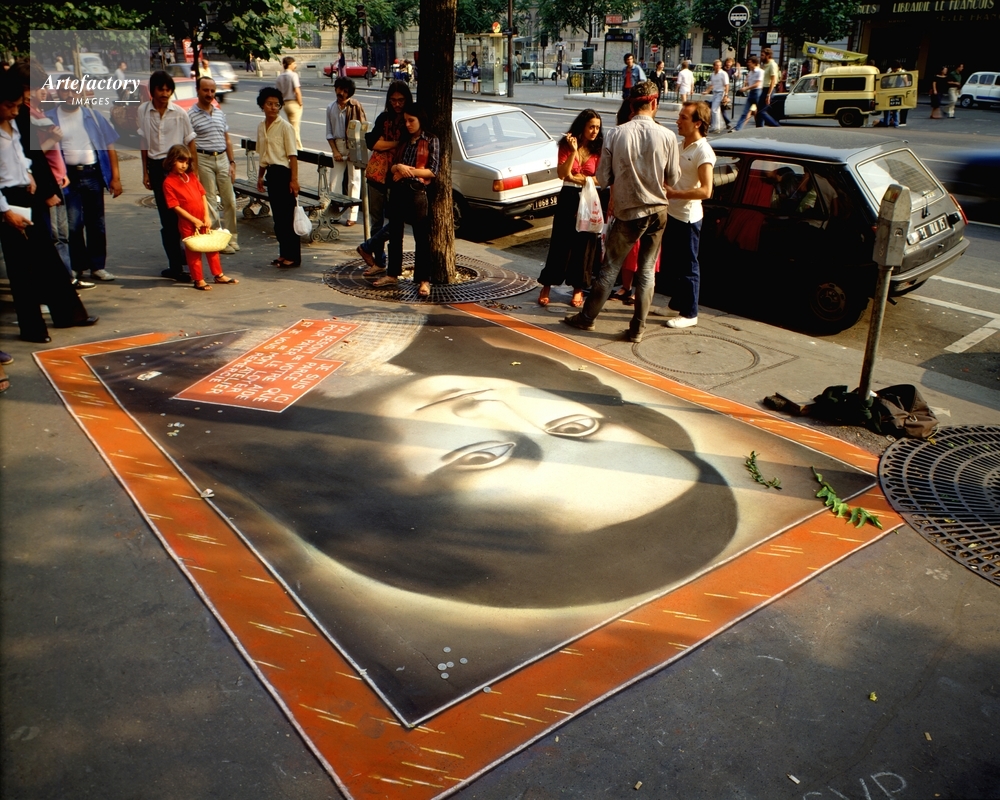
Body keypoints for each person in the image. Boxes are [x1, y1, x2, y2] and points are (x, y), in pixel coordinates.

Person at [563, 80, 680, 344]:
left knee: (610, 268)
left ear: (631, 106)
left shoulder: (616, 134)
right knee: (646, 270)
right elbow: (672, 178)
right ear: (654, 103)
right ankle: (637, 329)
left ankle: (587, 318)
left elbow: (604, 178)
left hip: (629, 212)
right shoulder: (668, 136)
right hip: (658, 211)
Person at [0, 69, 97, 343]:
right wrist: (6, 211)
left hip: (27, 192)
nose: (17, 109)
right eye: (12, 104)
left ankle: (68, 314)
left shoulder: (16, 121)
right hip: (8, 202)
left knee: (47, 256)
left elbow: (26, 156)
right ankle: (32, 328)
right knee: (21, 267)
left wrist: (32, 177)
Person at [48, 74, 123, 284]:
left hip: (92, 174)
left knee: (96, 223)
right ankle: (79, 266)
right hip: (67, 178)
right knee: (73, 224)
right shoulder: (49, 118)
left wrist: (116, 178)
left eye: (74, 90)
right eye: (65, 90)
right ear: (58, 92)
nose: (70, 94)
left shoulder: (94, 116)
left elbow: (110, 147)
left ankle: (98, 266)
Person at [371, 101, 439, 297]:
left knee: (421, 237)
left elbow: (432, 171)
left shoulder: (430, 140)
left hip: (417, 190)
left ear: (420, 120)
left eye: (411, 121)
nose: (408, 124)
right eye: (406, 121)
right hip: (398, 189)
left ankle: (424, 279)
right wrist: (398, 168)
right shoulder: (404, 139)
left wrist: (408, 171)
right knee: (395, 234)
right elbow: (393, 166)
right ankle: (392, 273)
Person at [537, 109, 604, 309]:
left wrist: (577, 178)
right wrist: (574, 151)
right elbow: (562, 174)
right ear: (582, 126)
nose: (595, 131)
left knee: (585, 244)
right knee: (560, 242)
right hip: (568, 197)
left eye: (597, 127)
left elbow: (601, 178)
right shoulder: (566, 145)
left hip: (589, 197)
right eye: (591, 127)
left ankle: (578, 287)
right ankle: (547, 285)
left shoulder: (599, 148)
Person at [137, 70, 197, 282]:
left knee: (183, 214)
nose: (164, 93)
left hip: (177, 168)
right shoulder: (143, 111)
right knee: (167, 219)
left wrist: (193, 173)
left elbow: (190, 141)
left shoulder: (180, 113)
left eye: (168, 90)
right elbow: (144, 142)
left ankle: (188, 258)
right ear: (152, 91)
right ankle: (175, 266)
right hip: (156, 168)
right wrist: (145, 171)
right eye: (160, 89)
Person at [662, 101, 715, 329]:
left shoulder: (703, 151)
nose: (678, 121)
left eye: (683, 118)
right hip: (672, 213)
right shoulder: (680, 145)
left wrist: (675, 194)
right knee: (675, 263)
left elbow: (706, 190)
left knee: (689, 265)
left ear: (697, 123)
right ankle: (677, 303)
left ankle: (690, 313)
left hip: (688, 218)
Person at [161, 144, 238, 291]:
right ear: (172, 161)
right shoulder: (169, 182)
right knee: (193, 251)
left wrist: (206, 216)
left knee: (212, 246)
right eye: (180, 161)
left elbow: (203, 195)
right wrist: (193, 220)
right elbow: (175, 206)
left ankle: (218, 274)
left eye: (186, 162)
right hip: (188, 222)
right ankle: (198, 279)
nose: (184, 165)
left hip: (203, 218)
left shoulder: (191, 176)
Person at [356, 80, 412, 273]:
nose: (397, 104)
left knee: (397, 221)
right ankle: (379, 262)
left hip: (398, 177)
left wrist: (385, 143)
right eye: (393, 100)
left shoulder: (409, 119)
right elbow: (372, 143)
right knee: (376, 220)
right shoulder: (383, 118)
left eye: (401, 100)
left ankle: (367, 247)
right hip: (377, 175)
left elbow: (403, 143)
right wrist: (395, 144)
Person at [188, 77, 239, 252]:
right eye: (205, 90)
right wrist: (194, 168)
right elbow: (190, 143)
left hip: (222, 158)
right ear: (198, 90)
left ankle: (232, 237)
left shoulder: (218, 112)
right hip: (203, 159)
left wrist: (232, 162)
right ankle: (218, 240)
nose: (209, 94)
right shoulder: (190, 115)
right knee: (210, 202)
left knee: (230, 200)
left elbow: (227, 139)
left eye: (212, 90)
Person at [255, 86, 300, 268]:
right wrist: (260, 177)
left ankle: (293, 256)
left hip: (284, 174)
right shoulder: (261, 127)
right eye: (269, 104)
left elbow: (293, 156)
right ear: (262, 105)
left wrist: (294, 180)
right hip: (271, 175)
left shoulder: (285, 127)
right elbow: (263, 155)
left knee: (287, 217)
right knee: (278, 219)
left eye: (277, 104)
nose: (273, 107)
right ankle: (283, 253)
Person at [325, 77, 367, 227]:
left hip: (353, 145)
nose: (341, 93)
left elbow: (363, 129)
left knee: (354, 181)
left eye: (345, 91)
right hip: (338, 144)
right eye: (339, 89)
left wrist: (355, 151)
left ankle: (352, 215)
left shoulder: (356, 106)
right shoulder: (330, 107)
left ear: (350, 93)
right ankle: (335, 212)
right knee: (334, 181)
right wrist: (335, 151)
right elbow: (329, 132)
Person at [275, 56, 303, 149]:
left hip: (285, 104)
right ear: (290, 64)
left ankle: (292, 147)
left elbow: (278, 93)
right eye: (294, 63)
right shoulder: (293, 75)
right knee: (295, 128)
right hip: (293, 103)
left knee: (291, 127)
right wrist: (300, 103)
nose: (295, 65)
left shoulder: (279, 77)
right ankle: (297, 148)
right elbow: (297, 90)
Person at [732, 55, 763, 131]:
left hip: (758, 92)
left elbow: (757, 84)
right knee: (745, 112)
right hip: (751, 92)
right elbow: (748, 82)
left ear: (754, 63)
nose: (748, 64)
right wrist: (746, 84)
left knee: (760, 112)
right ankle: (738, 128)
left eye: (750, 62)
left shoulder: (760, 72)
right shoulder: (750, 73)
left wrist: (746, 88)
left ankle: (761, 128)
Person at [754, 48, 781, 128]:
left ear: (768, 55)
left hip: (769, 89)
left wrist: (768, 95)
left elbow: (773, 80)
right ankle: (759, 129)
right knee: (759, 111)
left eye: (762, 55)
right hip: (763, 89)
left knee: (762, 111)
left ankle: (776, 126)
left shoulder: (772, 65)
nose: (761, 57)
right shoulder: (765, 65)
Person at [708, 59, 731, 132]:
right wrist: (706, 91)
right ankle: (716, 126)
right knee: (715, 110)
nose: (718, 67)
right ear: (714, 66)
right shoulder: (713, 74)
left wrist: (726, 95)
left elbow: (727, 85)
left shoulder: (723, 74)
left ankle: (717, 127)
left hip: (721, 92)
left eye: (720, 65)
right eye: (717, 65)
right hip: (715, 92)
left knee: (715, 109)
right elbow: (712, 84)